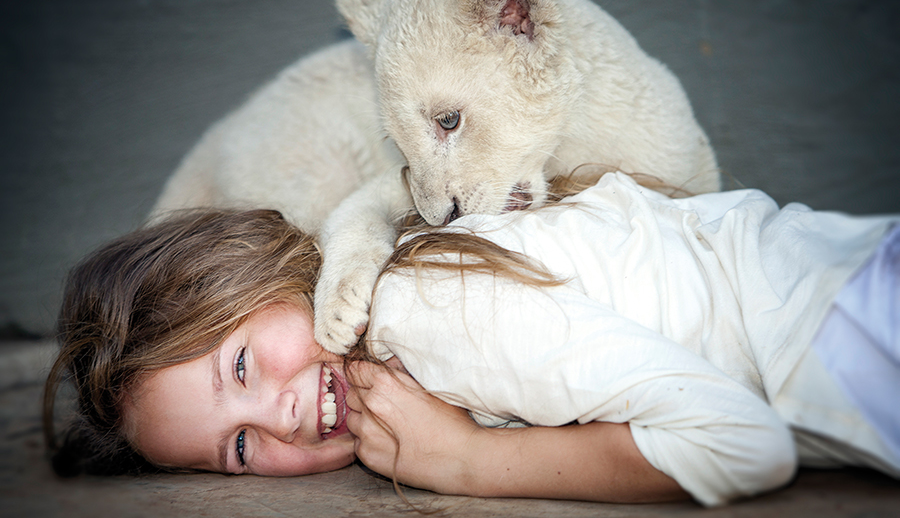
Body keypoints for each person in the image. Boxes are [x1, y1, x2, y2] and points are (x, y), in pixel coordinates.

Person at [43, 171, 899, 506]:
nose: (283, 415)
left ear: (257, 274)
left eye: (241, 365)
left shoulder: (424, 313)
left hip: (849, 319)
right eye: (237, 447)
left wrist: (465, 464)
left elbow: (744, 444)